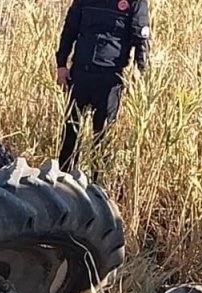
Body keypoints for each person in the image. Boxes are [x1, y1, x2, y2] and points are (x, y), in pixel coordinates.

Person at [54, 0, 150, 169]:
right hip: (80, 73)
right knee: (70, 134)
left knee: (102, 139)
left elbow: (141, 40)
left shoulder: (135, 2)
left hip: (110, 79)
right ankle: (63, 182)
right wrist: (61, 65)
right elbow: (69, 29)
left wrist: (138, 72)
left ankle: (97, 189)